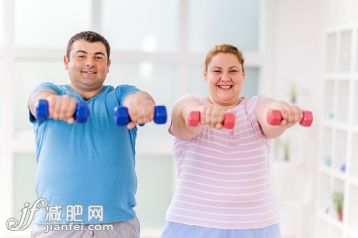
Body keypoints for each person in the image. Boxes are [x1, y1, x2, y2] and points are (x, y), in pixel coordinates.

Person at [162, 44, 305, 238]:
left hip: (256, 226)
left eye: (233, 71)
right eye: (217, 71)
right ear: (205, 75)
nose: (225, 77)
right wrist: (203, 113)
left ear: (243, 75)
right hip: (193, 223)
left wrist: (281, 111)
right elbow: (185, 116)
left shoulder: (254, 107)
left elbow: (270, 116)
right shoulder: (190, 103)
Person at [28, 31, 156, 238]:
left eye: (98, 57)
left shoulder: (120, 94)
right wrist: (52, 104)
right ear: (66, 61)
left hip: (116, 224)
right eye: (81, 56)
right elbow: (37, 100)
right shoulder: (52, 91)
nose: (90, 62)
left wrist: (141, 105)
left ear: (108, 64)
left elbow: (138, 98)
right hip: (57, 224)